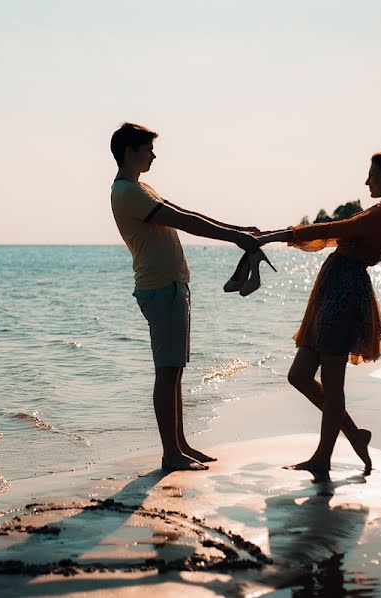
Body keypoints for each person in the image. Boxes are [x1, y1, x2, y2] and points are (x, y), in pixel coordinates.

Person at [254, 152, 381, 478]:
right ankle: (354, 435)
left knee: (333, 385)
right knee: (299, 375)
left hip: (345, 296)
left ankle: (323, 459)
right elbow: (342, 231)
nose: (366, 181)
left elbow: (338, 228)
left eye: (372, 175)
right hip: (334, 291)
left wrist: (276, 235)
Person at [109, 122, 261, 472]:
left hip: (172, 286)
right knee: (166, 372)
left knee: (174, 370)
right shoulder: (126, 192)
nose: (153, 154)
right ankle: (171, 454)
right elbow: (184, 222)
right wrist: (236, 239)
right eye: (148, 148)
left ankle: (180, 445)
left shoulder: (141, 187)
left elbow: (189, 214)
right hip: (159, 287)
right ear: (130, 151)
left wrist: (237, 231)